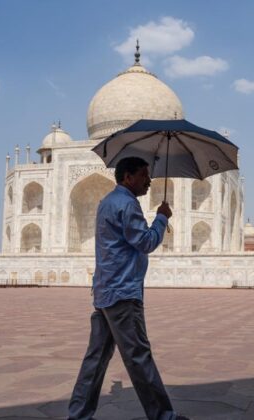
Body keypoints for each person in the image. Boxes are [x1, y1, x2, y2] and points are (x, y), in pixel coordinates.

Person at [68, 157, 184, 420]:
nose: (149, 181)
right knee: (139, 357)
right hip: (122, 293)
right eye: (144, 175)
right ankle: (164, 416)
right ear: (128, 177)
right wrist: (161, 219)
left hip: (104, 291)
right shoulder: (128, 204)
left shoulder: (107, 202)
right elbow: (145, 242)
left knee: (95, 359)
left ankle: (78, 415)